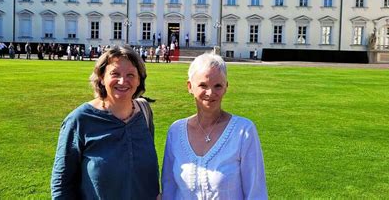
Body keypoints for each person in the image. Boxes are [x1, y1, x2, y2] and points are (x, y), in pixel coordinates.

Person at [51, 45, 160, 199]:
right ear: (102, 78)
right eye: (115, 73)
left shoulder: (144, 112)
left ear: (139, 80)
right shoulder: (80, 120)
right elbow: (61, 185)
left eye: (131, 75)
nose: (123, 81)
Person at [162, 53, 267, 199]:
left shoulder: (243, 131)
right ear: (190, 86)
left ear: (226, 87)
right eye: (203, 85)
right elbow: (169, 188)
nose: (210, 93)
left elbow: (256, 193)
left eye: (217, 86)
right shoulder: (176, 131)